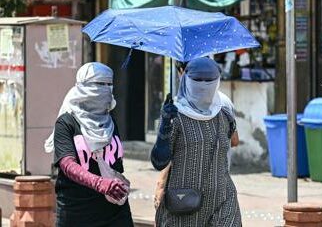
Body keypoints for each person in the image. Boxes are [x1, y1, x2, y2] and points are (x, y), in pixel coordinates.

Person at [151, 57, 242, 226]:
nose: (203, 85)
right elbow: (159, 161)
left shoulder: (224, 115)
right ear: (186, 79)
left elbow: (234, 141)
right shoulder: (175, 116)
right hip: (184, 203)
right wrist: (164, 129)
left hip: (223, 199)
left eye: (209, 80)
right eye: (197, 80)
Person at [46, 62, 133, 227]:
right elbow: (67, 163)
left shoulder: (110, 121)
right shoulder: (67, 122)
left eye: (109, 84)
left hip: (114, 210)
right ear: (83, 87)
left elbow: (116, 162)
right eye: (100, 84)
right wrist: (99, 183)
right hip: (77, 213)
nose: (106, 89)